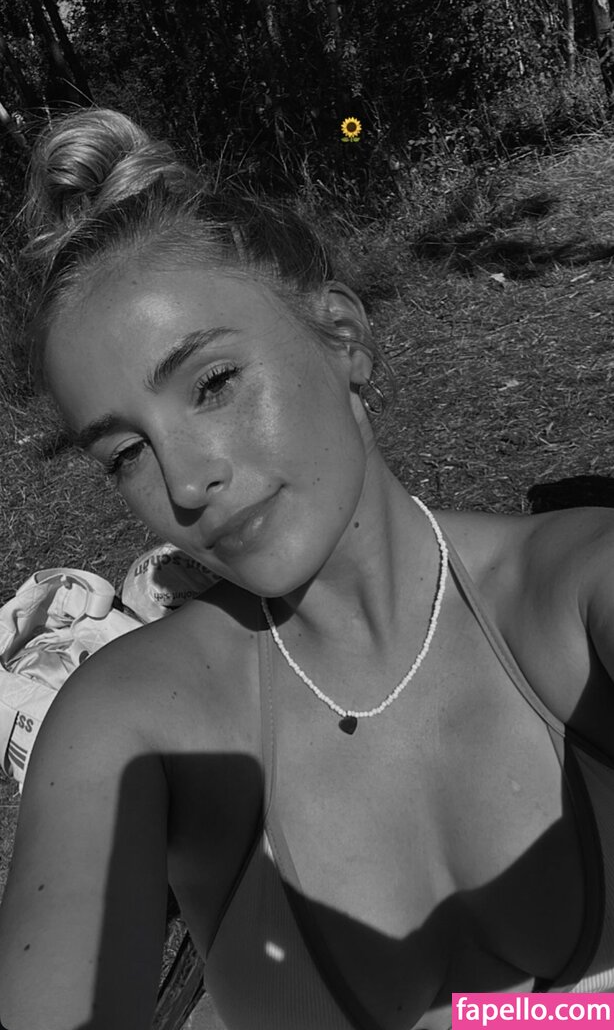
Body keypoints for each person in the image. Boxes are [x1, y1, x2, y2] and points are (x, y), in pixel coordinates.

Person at [1, 107, 614, 1030]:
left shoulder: (576, 598)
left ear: (342, 336)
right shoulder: (132, 727)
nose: (186, 482)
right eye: (125, 453)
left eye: (213, 383)